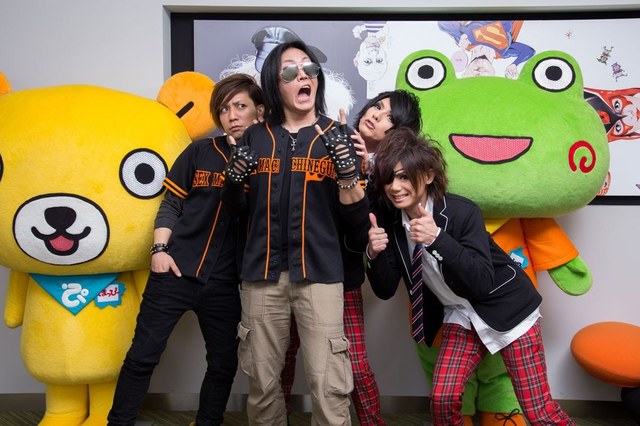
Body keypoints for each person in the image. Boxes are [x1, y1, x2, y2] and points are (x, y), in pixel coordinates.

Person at [365, 127, 575, 426]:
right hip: (459, 314)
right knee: (443, 399)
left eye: (404, 177)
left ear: (428, 175)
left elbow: (481, 281)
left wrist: (438, 239)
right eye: (389, 179)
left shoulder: (461, 212)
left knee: (538, 411)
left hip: (509, 308)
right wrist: (374, 253)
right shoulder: (391, 222)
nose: (395, 187)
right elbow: (386, 290)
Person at [221, 39, 368, 426]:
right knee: (262, 383)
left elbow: (357, 225)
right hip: (261, 276)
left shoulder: (338, 135)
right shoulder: (255, 137)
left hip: (320, 275)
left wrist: (348, 174)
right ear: (276, 82)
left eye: (310, 68)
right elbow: (235, 212)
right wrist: (232, 182)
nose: (303, 75)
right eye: (291, 70)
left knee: (329, 385)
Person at [107, 74, 265, 426]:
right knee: (142, 356)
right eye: (223, 109)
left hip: (226, 282)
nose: (231, 115)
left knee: (223, 364)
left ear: (260, 111)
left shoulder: (269, 164)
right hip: (175, 271)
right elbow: (171, 204)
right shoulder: (199, 151)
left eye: (240, 106)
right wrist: (159, 250)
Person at [279, 89, 422, 426]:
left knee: (354, 363)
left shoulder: (394, 178)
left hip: (341, 276)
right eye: (377, 106)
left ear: (399, 132)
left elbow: (368, 226)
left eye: (388, 116)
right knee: (282, 357)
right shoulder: (325, 139)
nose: (375, 115)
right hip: (293, 267)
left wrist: (367, 171)